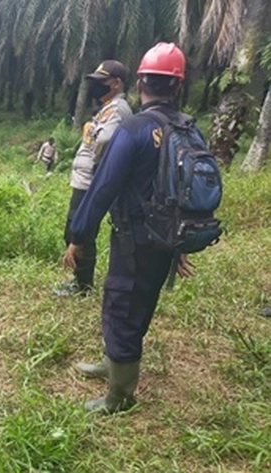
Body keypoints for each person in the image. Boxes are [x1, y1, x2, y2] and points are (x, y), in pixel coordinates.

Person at [63, 42, 196, 414]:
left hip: (135, 237)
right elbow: (189, 191)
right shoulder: (186, 130)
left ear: (140, 83)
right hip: (167, 239)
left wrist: (79, 236)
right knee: (142, 302)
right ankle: (115, 362)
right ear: (178, 86)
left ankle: (119, 397)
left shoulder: (135, 129)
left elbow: (103, 185)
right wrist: (181, 243)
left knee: (120, 304)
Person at [55, 60, 133, 297]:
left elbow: (106, 140)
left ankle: (82, 287)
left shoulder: (117, 109)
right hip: (86, 179)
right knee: (76, 230)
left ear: (116, 83)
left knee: (78, 231)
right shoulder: (107, 108)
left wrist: (99, 166)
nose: (96, 86)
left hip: (90, 181)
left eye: (101, 82)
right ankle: (81, 282)